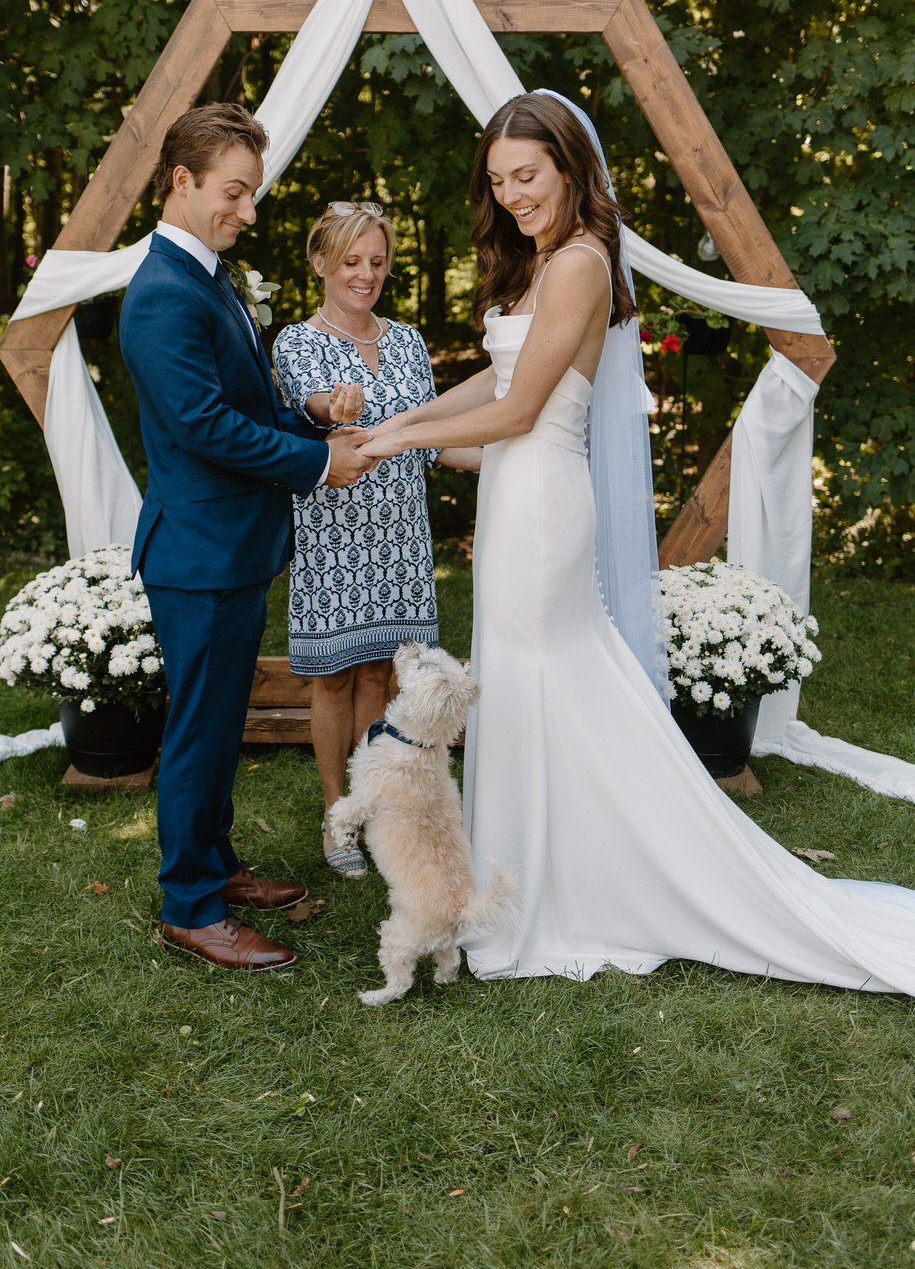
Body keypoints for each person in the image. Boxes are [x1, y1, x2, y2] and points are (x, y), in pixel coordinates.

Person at [362, 90, 915, 993]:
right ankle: (530, 875)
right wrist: (396, 420)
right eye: (499, 180)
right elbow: (487, 381)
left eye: (528, 175)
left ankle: (558, 887)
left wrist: (387, 440)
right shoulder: (543, 264)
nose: (512, 195)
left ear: (571, 168)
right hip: (517, 491)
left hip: (541, 502)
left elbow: (518, 409)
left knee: (548, 678)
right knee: (529, 681)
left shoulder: (579, 261)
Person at [120, 104, 372, 973]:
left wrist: (306, 413)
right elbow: (200, 426)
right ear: (181, 182)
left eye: (253, 194)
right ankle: (189, 905)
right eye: (235, 192)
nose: (249, 212)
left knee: (219, 721)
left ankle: (215, 865)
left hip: (229, 546)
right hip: (196, 553)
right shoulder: (160, 294)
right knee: (196, 729)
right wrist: (316, 462)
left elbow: (243, 399)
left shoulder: (209, 276)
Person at [272, 201, 480, 877]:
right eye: (351, 261)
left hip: (400, 539)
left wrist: (515, 456)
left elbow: (428, 440)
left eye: (376, 262)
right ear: (321, 263)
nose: (365, 274)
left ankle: (371, 805)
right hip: (333, 536)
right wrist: (332, 409)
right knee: (332, 679)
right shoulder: (296, 343)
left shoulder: (410, 342)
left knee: (376, 675)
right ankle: (336, 818)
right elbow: (313, 409)